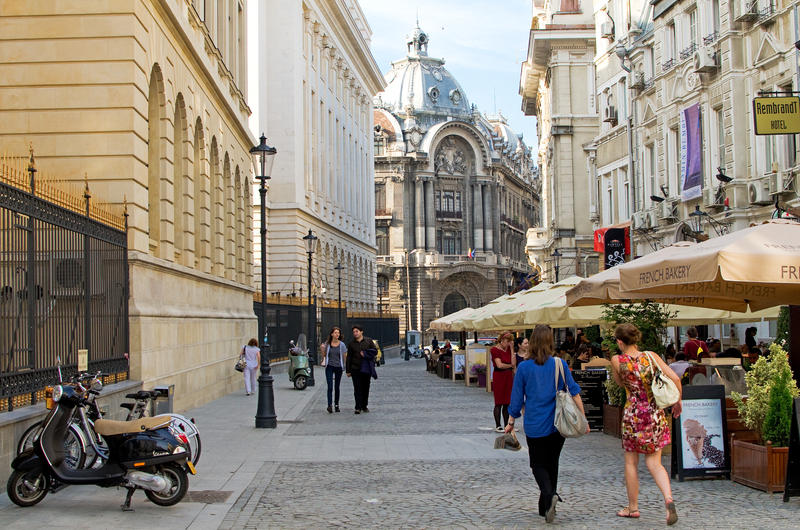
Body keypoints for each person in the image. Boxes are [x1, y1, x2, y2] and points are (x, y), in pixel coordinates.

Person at [506, 324, 587, 523]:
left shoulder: (524, 367)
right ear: (551, 342)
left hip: (535, 423)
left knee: (537, 464)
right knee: (552, 462)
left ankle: (549, 496)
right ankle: (545, 507)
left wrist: (510, 421)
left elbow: (516, 399)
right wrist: (583, 419)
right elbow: (574, 391)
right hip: (557, 424)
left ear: (532, 342)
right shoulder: (559, 364)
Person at [610, 323, 682, 526]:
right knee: (655, 463)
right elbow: (675, 378)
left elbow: (620, 383)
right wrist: (678, 402)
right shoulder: (651, 356)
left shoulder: (617, 360)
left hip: (633, 415)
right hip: (654, 414)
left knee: (631, 462)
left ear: (619, 341)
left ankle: (633, 508)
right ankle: (668, 499)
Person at [346, 325, 377, 414]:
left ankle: (364, 405)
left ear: (361, 332)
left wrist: (365, 354)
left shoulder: (369, 341)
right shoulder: (351, 344)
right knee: (357, 388)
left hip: (366, 368)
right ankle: (358, 407)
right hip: (355, 368)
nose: (355, 333)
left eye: (357, 331)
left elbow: (374, 351)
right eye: (354, 332)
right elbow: (349, 357)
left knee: (365, 387)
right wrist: (348, 370)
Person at [491, 332, 515, 432]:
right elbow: (499, 365)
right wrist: (510, 366)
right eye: (507, 341)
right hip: (499, 376)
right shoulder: (494, 350)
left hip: (509, 377)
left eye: (510, 341)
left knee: (507, 402)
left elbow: (514, 362)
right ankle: (498, 425)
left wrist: (512, 348)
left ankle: (506, 424)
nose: (508, 343)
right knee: (499, 402)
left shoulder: (509, 349)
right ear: (502, 340)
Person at [321, 326, 346, 413]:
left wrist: (344, 367)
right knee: (330, 386)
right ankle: (329, 405)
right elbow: (324, 355)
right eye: (335, 332)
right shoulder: (327, 344)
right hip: (330, 367)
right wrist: (322, 350)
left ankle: (336, 405)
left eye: (338, 333)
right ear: (332, 334)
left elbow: (344, 356)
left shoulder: (342, 345)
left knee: (337, 387)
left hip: (338, 367)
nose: (337, 334)